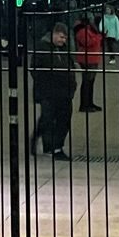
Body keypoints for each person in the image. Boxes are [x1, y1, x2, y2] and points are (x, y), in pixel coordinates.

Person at [32, 22, 76, 160]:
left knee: (62, 119)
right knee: (49, 119)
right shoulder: (42, 48)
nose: (63, 40)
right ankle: (53, 148)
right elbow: (35, 69)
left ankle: (50, 144)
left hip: (64, 92)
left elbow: (70, 66)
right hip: (49, 91)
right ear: (54, 34)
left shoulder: (63, 49)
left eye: (65, 38)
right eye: (61, 37)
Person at [74, 15, 105, 112]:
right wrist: (99, 37)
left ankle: (89, 103)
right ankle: (84, 105)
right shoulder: (82, 31)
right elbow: (87, 42)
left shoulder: (89, 29)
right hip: (87, 59)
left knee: (90, 82)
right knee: (87, 82)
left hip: (92, 58)